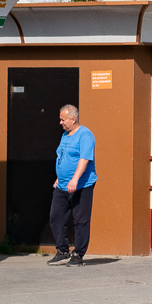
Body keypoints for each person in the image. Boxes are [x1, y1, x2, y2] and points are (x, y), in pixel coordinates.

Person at [49, 104, 96, 266]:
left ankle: (78, 254)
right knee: (56, 217)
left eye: (63, 120)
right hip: (62, 185)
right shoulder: (65, 135)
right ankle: (62, 250)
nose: (60, 123)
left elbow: (84, 159)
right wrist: (58, 177)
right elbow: (62, 157)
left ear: (73, 119)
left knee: (80, 220)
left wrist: (75, 180)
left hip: (81, 185)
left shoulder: (85, 135)